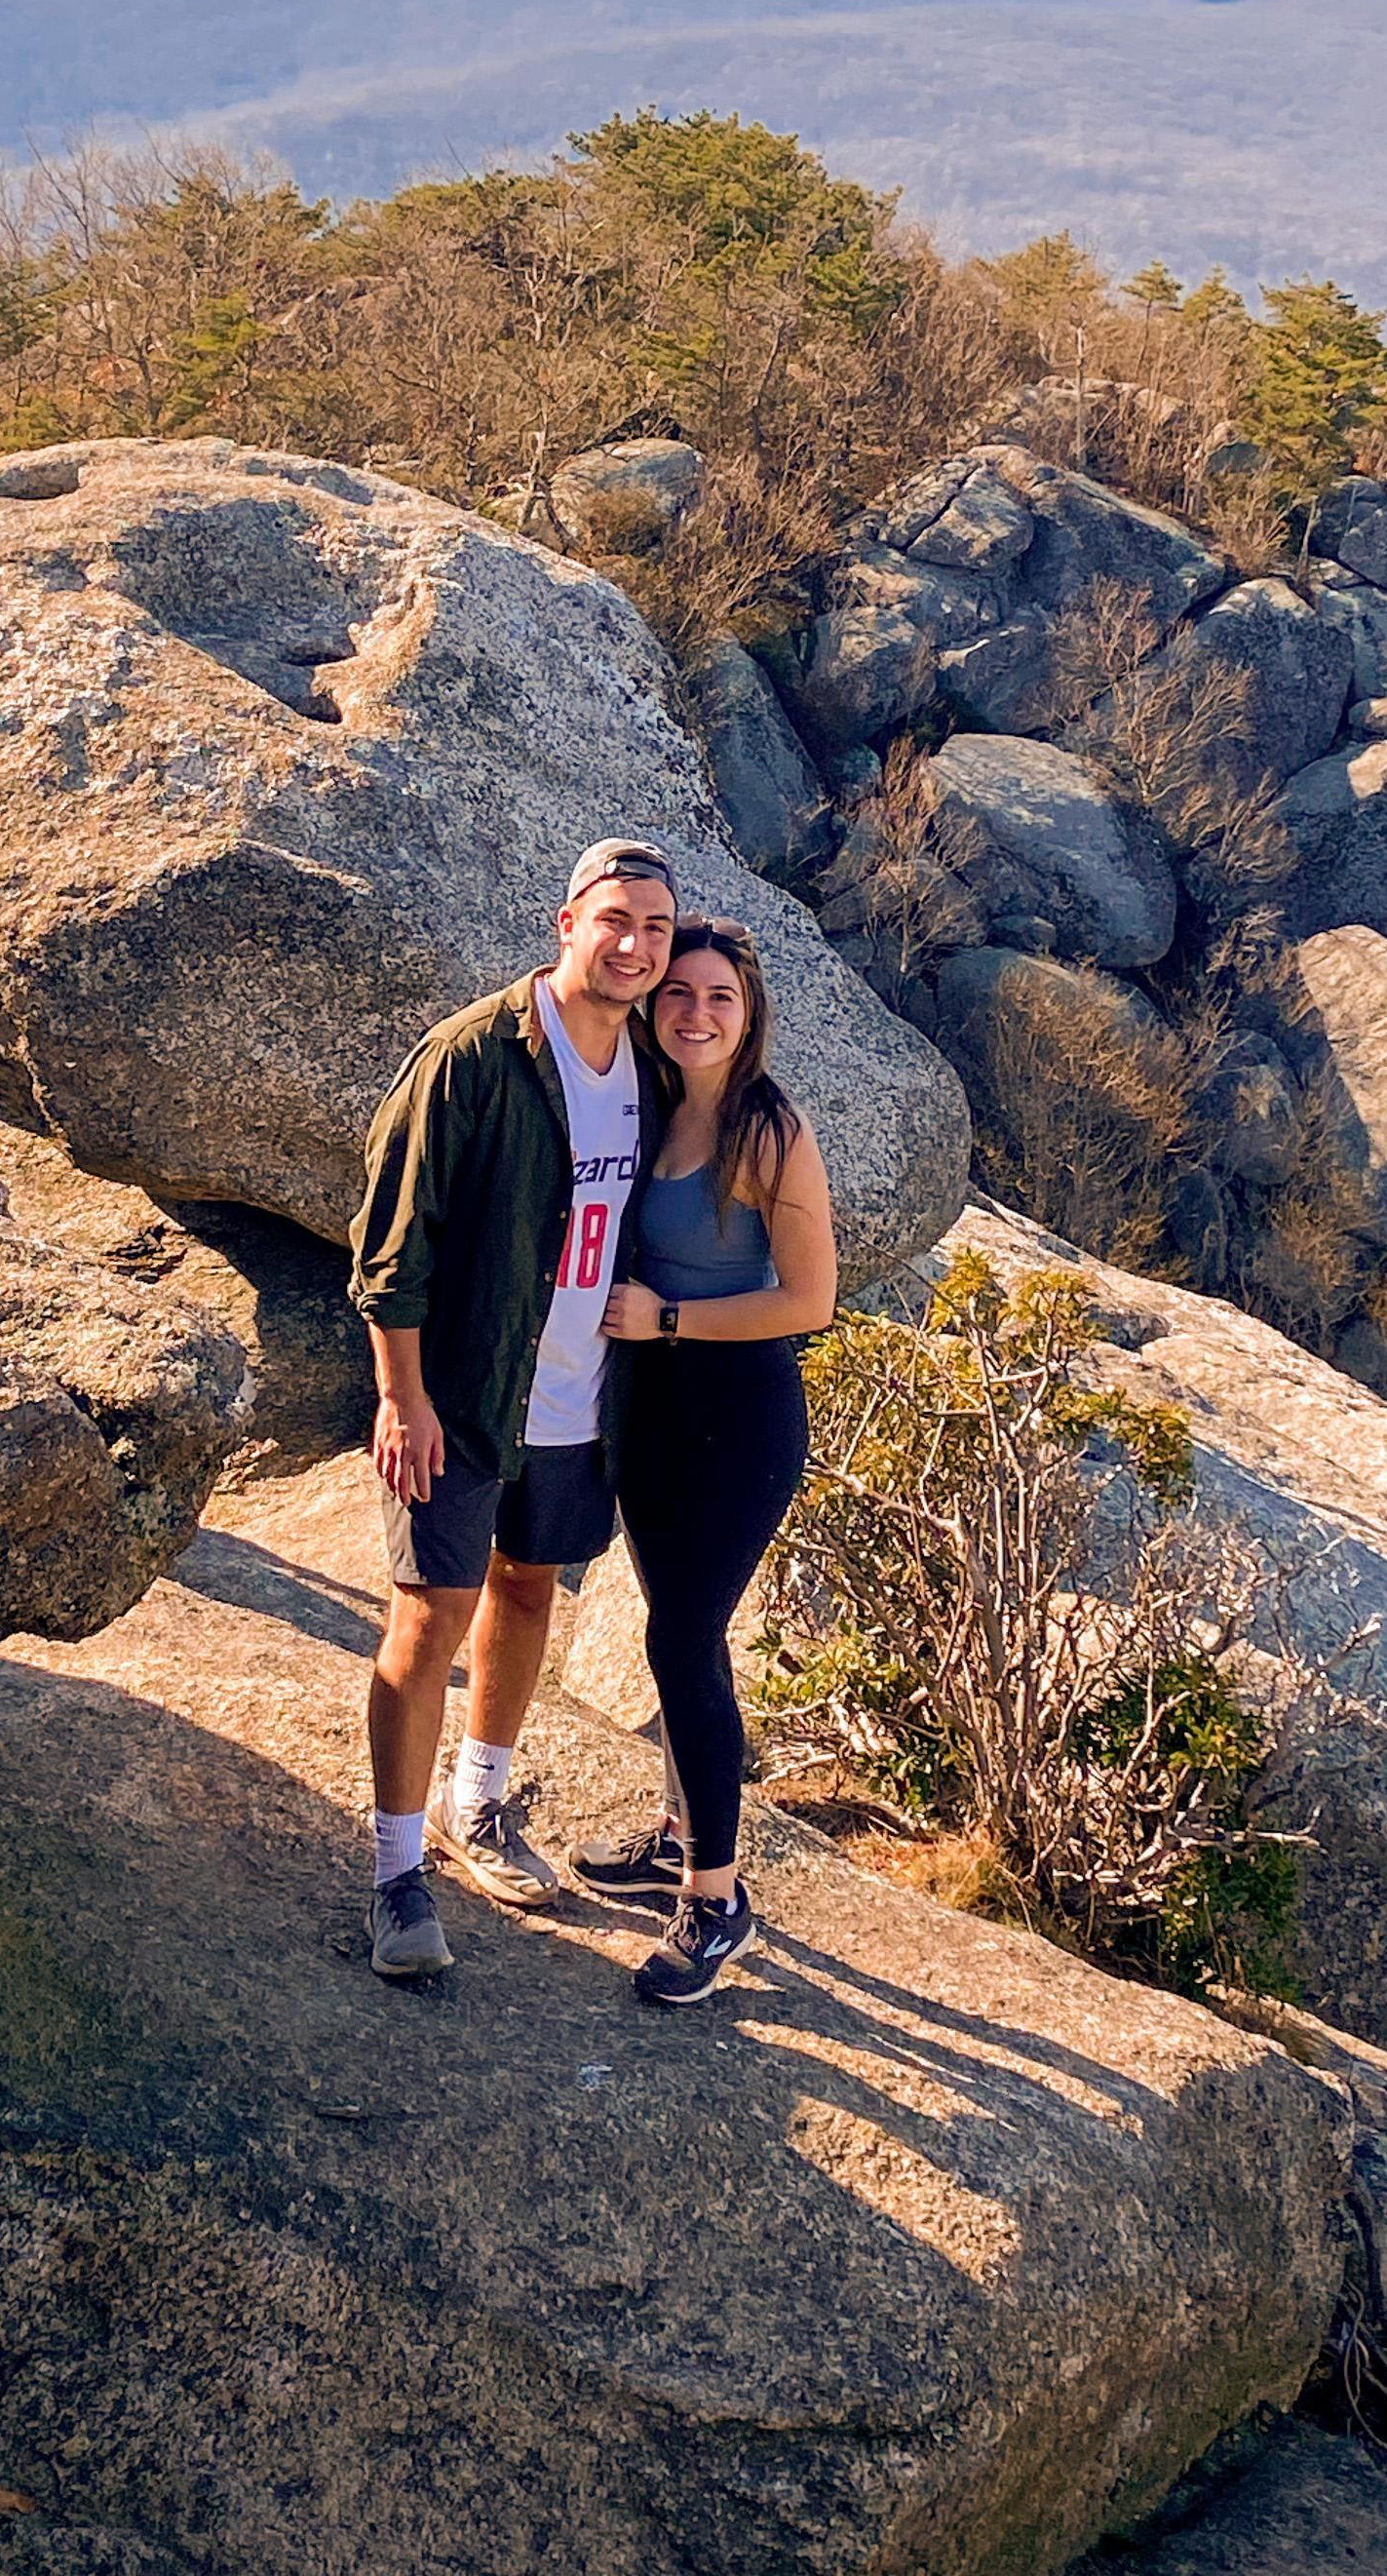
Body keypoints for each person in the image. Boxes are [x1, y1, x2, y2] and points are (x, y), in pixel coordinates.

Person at [345, 839, 674, 1976]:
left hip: (580, 1395)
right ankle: (396, 1874)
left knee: (526, 1584)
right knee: (428, 1614)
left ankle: (474, 1803)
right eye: (613, 920)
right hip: (468, 1392)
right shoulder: (475, 1055)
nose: (633, 946)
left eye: (655, 929)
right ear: (565, 922)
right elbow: (391, 1242)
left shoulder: (653, 1069)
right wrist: (402, 1396)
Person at [568, 917, 838, 2006]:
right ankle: (681, 1834)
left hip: (739, 1413)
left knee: (679, 1636)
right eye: (677, 992)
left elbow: (808, 1299)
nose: (694, 1011)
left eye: (718, 996)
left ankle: (717, 1899)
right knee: (682, 1635)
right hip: (648, 1408)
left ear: (749, 1010)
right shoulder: (642, 1105)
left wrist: (668, 1316)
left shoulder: (769, 1130)